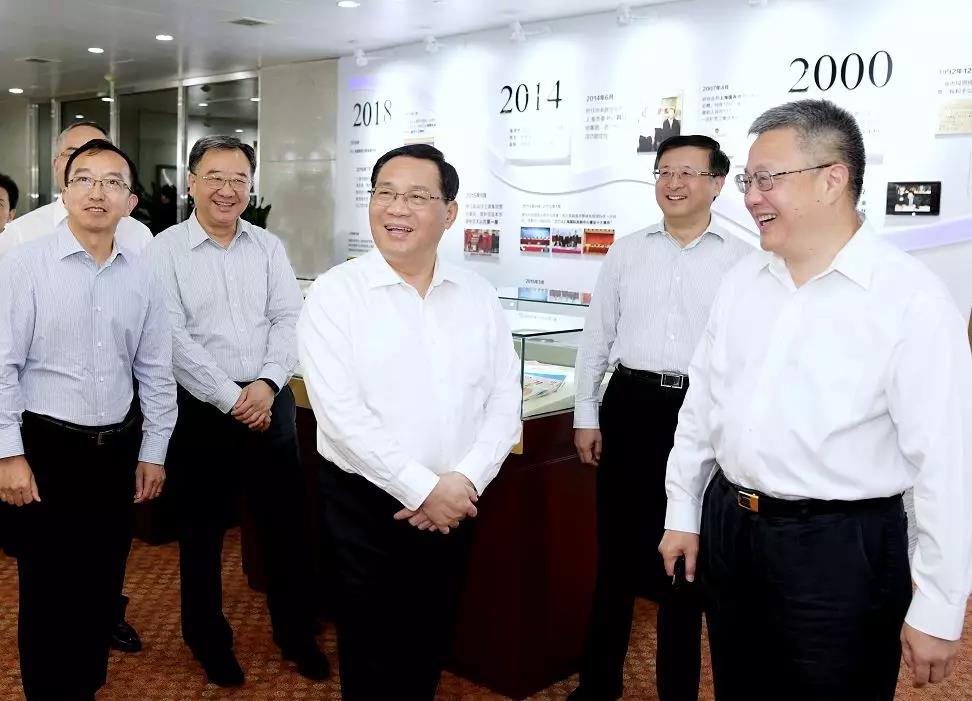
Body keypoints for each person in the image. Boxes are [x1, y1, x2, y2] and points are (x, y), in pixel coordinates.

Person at [660, 99, 972, 700]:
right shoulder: (743, 283)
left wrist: (940, 603)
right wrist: (683, 511)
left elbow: (947, 465)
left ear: (833, 179)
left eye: (767, 179)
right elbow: (701, 409)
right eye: (748, 181)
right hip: (731, 529)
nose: (750, 198)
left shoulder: (910, 300)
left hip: (840, 550)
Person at [297, 143, 522, 701]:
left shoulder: (476, 295)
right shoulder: (334, 294)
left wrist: (463, 482)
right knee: (372, 651)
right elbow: (341, 416)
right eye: (385, 193)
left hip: (456, 504)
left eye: (418, 196)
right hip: (366, 505)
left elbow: (503, 400)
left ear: (449, 212)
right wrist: (423, 489)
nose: (397, 208)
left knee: (430, 640)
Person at [568, 135, 751, 701]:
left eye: (689, 172)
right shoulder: (627, 251)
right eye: (664, 171)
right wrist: (586, 412)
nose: (674, 183)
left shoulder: (744, 260)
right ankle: (598, 686)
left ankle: (678, 691)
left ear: (717, 183)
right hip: (630, 405)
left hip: (700, 413)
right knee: (615, 558)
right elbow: (596, 338)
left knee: (687, 562)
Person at [146, 135, 327, 687]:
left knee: (286, 528)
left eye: (239, 179)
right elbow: (171, 336)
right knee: (201, 534)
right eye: (215, 177)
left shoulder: (268, 247)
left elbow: (289, 318)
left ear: (251, 185)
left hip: (270, 402)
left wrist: (268, 383)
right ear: (192, 182)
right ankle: (208, 641)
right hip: (202, 409)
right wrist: (231, 396)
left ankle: (296, 634)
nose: (228, 190)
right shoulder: (164, 250)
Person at [0, 139, 176, 700]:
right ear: (64, 191)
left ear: (131, 201)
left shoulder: (143, 272)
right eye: (84, 179)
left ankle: (83, 687)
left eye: (112, 182)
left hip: (116, 450)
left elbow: (156, 369)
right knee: (47, 588)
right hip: (45, 447)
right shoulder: (23, 263)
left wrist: (154, 452)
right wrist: (8, 454)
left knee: (102, 580)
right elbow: (1, 365)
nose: (97, 192)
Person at [0, 121, 152, 259]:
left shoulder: (139, 235)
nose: (83, 161)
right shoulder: (19, 234)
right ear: (56, 165)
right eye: (73, 153)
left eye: (96, 153)